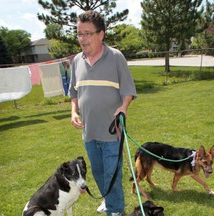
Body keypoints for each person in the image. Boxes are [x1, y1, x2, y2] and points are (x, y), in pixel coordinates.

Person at [69, 10, 137, 216]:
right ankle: (108, 201)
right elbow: (73, 92)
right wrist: (73, 111)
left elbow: (128, 90)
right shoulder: (76, 62)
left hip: (112, 131)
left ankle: (115, 209)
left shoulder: (116, 57)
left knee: (112, 174)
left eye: (88, 33)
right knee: (98, 173)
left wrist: (124, 107)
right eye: (79, 33)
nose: (83, 39)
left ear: (101, 34)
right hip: (89, 132)